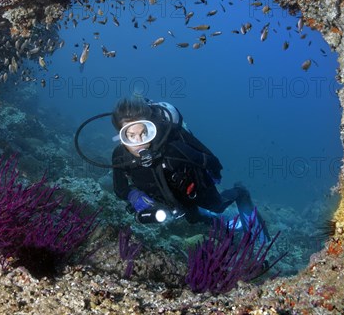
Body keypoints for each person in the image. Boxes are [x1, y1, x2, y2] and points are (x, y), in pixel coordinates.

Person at [111, 96, 270, 243]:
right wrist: (133, 195)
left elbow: (209, 160)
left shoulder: (172, 149)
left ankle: (240, 192)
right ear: (120, 136)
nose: (140, 142)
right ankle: (226, 224)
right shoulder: (119, 157)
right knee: (193, 219)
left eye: (144, 133)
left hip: (192, 191)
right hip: (164, 200)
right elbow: (120, 188)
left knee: (217, 206)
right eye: (131, 136)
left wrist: (211, 174)